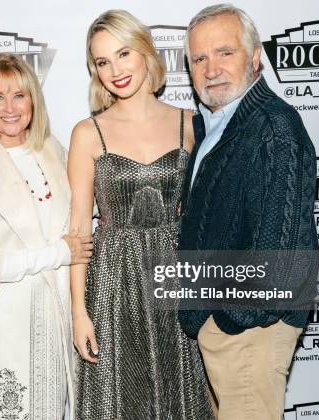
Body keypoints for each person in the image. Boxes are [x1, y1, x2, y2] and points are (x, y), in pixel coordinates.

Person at [68, 9, 213, 419]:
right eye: (102, 62)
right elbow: (78, 230)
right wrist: (79, 312)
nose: (115, 69)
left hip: (179, 278)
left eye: (123, 54)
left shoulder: (193, 123)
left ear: (146, 53)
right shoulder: (87, 132)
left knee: (185, 395)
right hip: (115, 284)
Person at [177, 4, 319, 419]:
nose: (211, 68)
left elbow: (280, 245)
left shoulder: (273, 127)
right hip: (226, 328)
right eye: (200, 58)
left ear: (254, 57)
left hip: (251, 331)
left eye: (225, 52)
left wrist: (233, 317)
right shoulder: (220, 124)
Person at [0, 53, 92, 420]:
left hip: (59, 324)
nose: (10, 108)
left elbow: (81, 213)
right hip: (4, 330)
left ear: (33, 101)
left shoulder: (52, 149)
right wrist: (55, 254)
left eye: (19, 95)